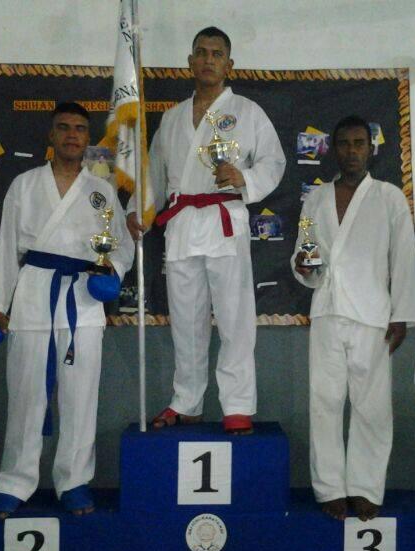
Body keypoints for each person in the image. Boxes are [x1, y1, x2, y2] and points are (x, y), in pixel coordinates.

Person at [0, 102, 134, 518]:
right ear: (51, 135)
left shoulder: (101, 190)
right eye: (63, 127)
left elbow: (121, 244)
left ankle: (74, 481)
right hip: (33, 294)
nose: (71, 135)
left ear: (88, 138)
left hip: (83, 299)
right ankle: (15, 480)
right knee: (26, 395)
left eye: (79, 128)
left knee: (81, 398)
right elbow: (7, 249)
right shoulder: (25, 184)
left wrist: (112, 273)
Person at [126, 26, 285, 434]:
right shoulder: (172, 117)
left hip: (224, 220)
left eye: (217, 53)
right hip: (182, 224)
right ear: (190, 62)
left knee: (234, 319)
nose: (208, 59)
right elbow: (154, 174)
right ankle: (187, 401)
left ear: (229, 64)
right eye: (201, 52)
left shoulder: (248, 112)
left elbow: (274, 162)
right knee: (186, 321)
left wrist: (244, 177)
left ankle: (237, 404)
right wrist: (139, 211)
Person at [290, 116, 415, 521]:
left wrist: (401, 314)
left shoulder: (389, 197)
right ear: (333, 149)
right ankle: (330, 487)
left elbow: (403, 257)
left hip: (373, 313)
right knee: (324, 402)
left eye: (359, 143)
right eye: (344, 143)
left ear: (371, 148)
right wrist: (304, 266)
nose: (351, 151)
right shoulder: (316, 199)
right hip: (328, 309)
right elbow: (305, 250)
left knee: (372, 406)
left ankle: (365, 487)